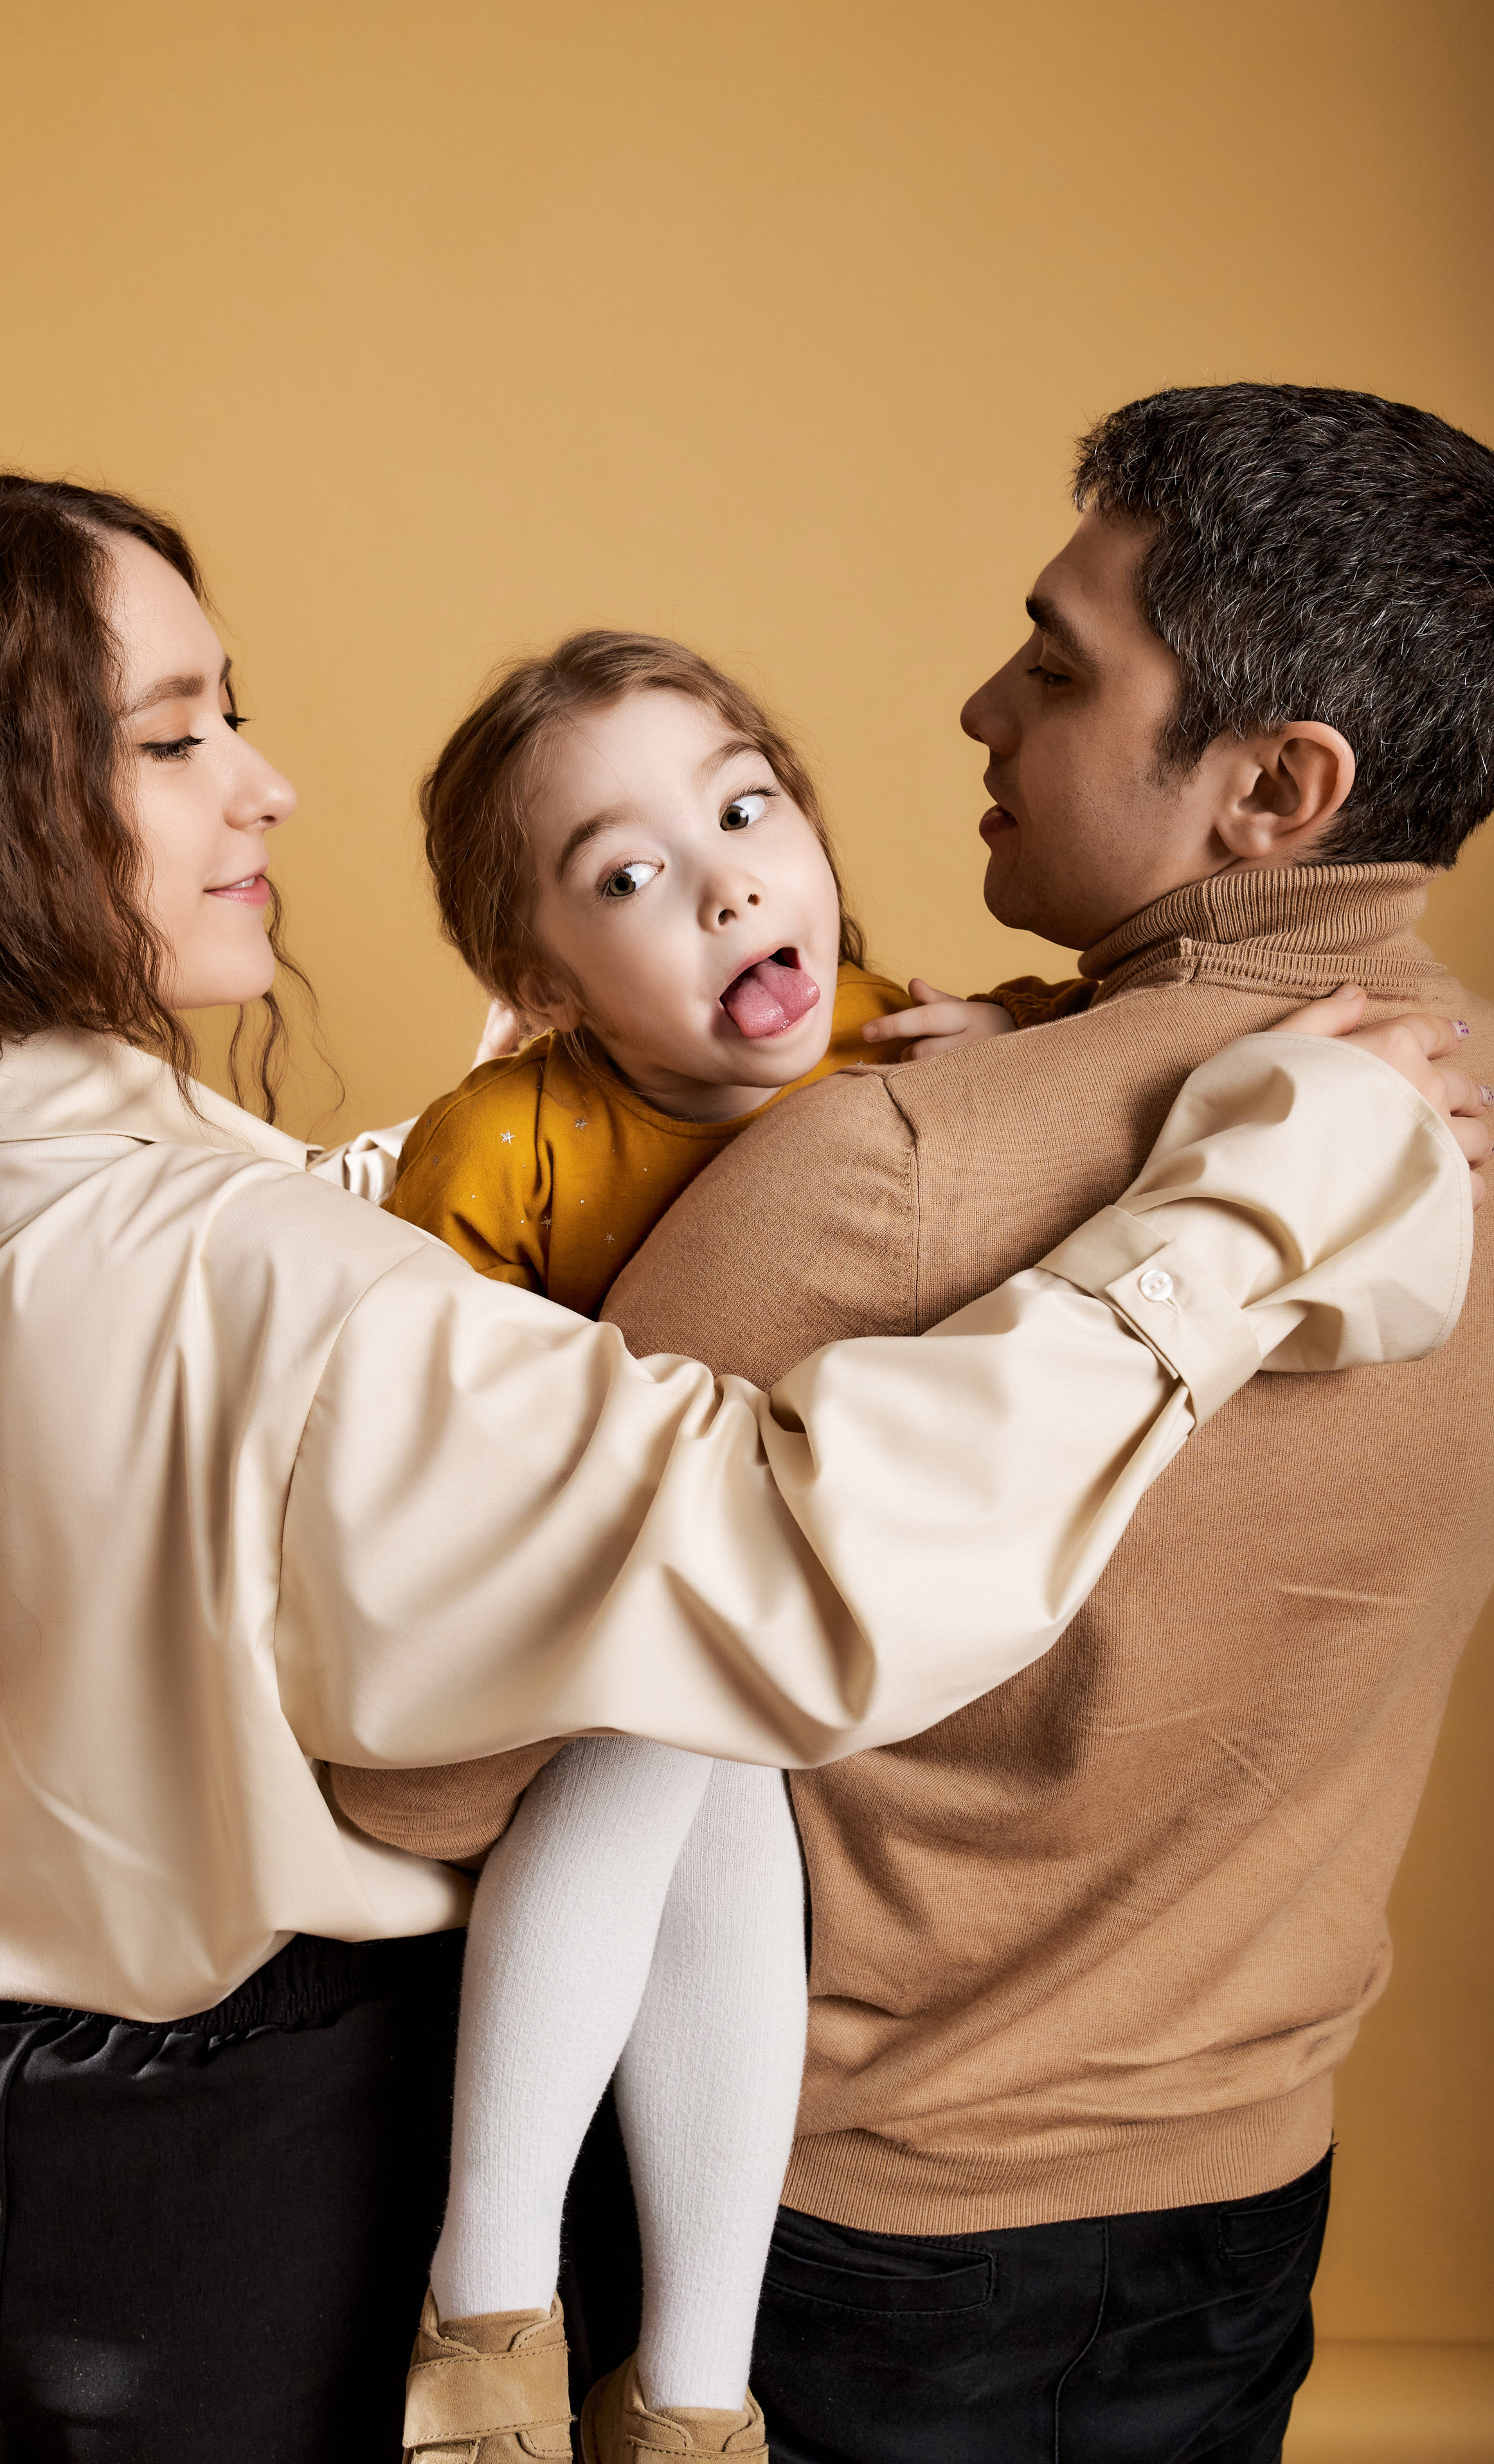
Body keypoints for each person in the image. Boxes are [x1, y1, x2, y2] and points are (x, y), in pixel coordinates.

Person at [0, 474, 1475, 2464]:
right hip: (252, 2220)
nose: (265, 786)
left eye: (229, 711)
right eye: (175, 737)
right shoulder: (309, 1278)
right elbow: (784, 1566)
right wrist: (1261, 1204)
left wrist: (515, 1145)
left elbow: (258, 1268)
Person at [591, 382, 1494, 2464]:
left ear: (1276, 784)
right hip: (1245, 2209)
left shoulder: (880, 1165)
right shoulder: (1452, 1106)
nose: (980, 710)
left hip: (812, 2237)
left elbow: (476, 1724)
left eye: (1058, 666)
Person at [337, 629, 1013, 2462]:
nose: (726, 882)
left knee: (719, 1747)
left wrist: (1031, 1045)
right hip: (558, 1599)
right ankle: (511, 2313)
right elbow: (413, 1402)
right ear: (540, 980)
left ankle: (673, 2388)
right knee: (673, 1722)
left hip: (791, 1610)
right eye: (629, 877)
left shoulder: (925, 1042)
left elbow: (1120, 1077)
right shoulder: (504, 1139)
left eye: (746, 809)